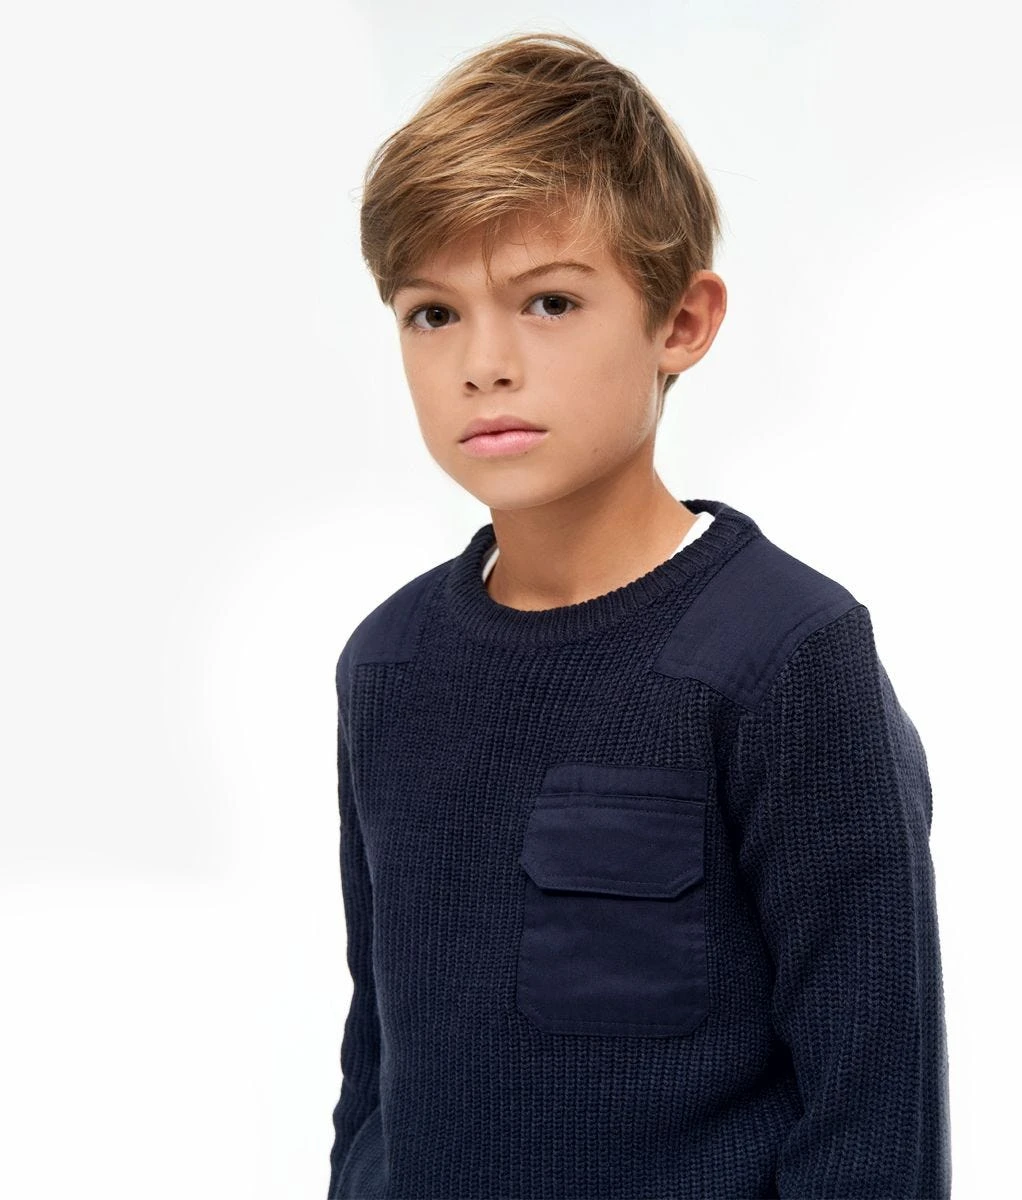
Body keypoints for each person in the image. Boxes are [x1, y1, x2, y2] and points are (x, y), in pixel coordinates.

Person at [327, 30, 951, 1200]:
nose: (485, 363)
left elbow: (876, 1115)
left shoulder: (785, 657)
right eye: (432, 314)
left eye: (549, 301)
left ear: (682, 322)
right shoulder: (390, 664)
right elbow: (381, 1064)